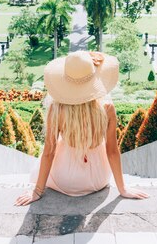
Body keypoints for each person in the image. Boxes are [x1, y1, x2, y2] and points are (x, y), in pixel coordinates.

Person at [14, 50, 149, 206]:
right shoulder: (107, 108)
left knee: (50, 150)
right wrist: (123, 188)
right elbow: (112, 151)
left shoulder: (57, 110)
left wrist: (37, 191)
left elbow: (49, 152)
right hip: (99, 178)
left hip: (66, 180)